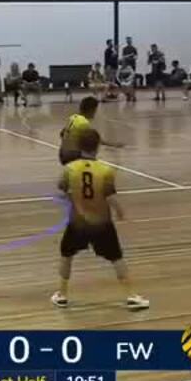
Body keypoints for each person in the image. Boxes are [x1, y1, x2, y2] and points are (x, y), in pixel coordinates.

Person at [51, 130, 149, 311]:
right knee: (116, 258)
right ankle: (131, 296)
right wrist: (120, 212)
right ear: (97, 147)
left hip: (77, 222)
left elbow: (62, 190)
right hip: (102, 222)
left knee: (67, 256)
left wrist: (74, 199)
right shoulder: (105, 170)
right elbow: (110, 197)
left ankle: (62, 294)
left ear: (79, 147)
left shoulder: (69, 169)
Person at [59, 96, 123, 164]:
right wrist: (113, 145)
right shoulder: (83, 122)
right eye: (95, 110)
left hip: (62, 153)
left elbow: (62, 133)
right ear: (91, 110)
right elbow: (94, 140)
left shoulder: (73, 117)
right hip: (73, 155)